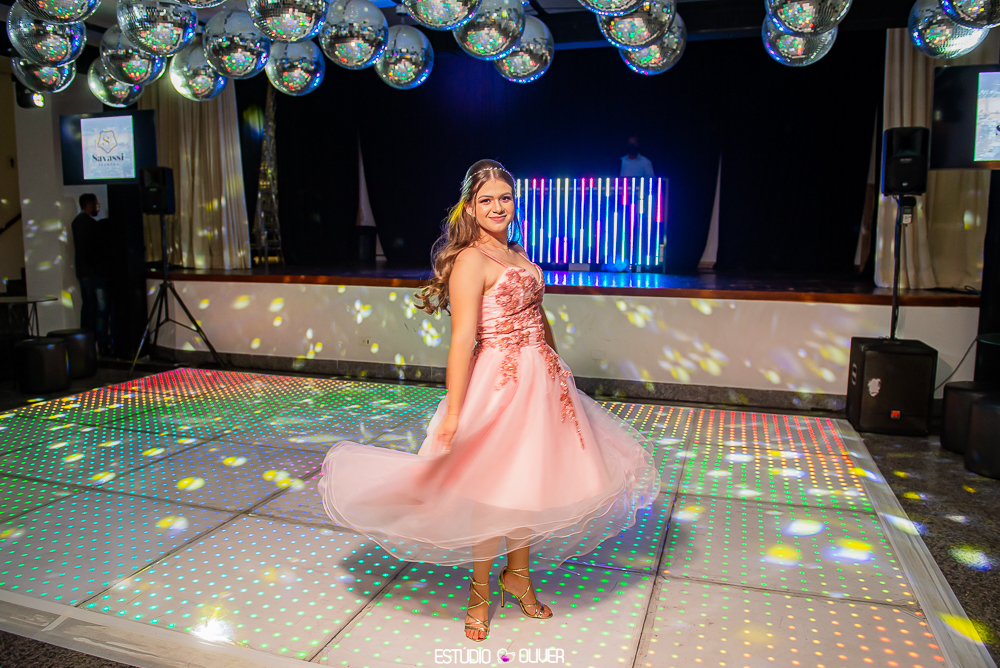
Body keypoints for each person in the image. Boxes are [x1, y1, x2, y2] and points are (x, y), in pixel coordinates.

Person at [317, 160, 659, 642]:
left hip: (542, 382)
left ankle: (517, 576)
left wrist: (558, 364)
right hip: (500, 382)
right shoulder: (470, 260)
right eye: (486, 200)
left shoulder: (516, 252)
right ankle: (480, 591)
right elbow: (462, 341)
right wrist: (455, 413)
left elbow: (538, 314)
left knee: (528, 483)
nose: (498, 207)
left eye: (505, 197)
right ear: (470, 207)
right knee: (489, 489)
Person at [71, 193, 113, 356]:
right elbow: (96, 250)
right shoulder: (92, 225)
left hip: (83, 272)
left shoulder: (76, 223)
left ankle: (85, 344)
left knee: (87, 308)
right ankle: (102, 343)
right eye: (95, 205)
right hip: (96, 272)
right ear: (89, 206)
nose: (97, 208)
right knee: (102, 309)